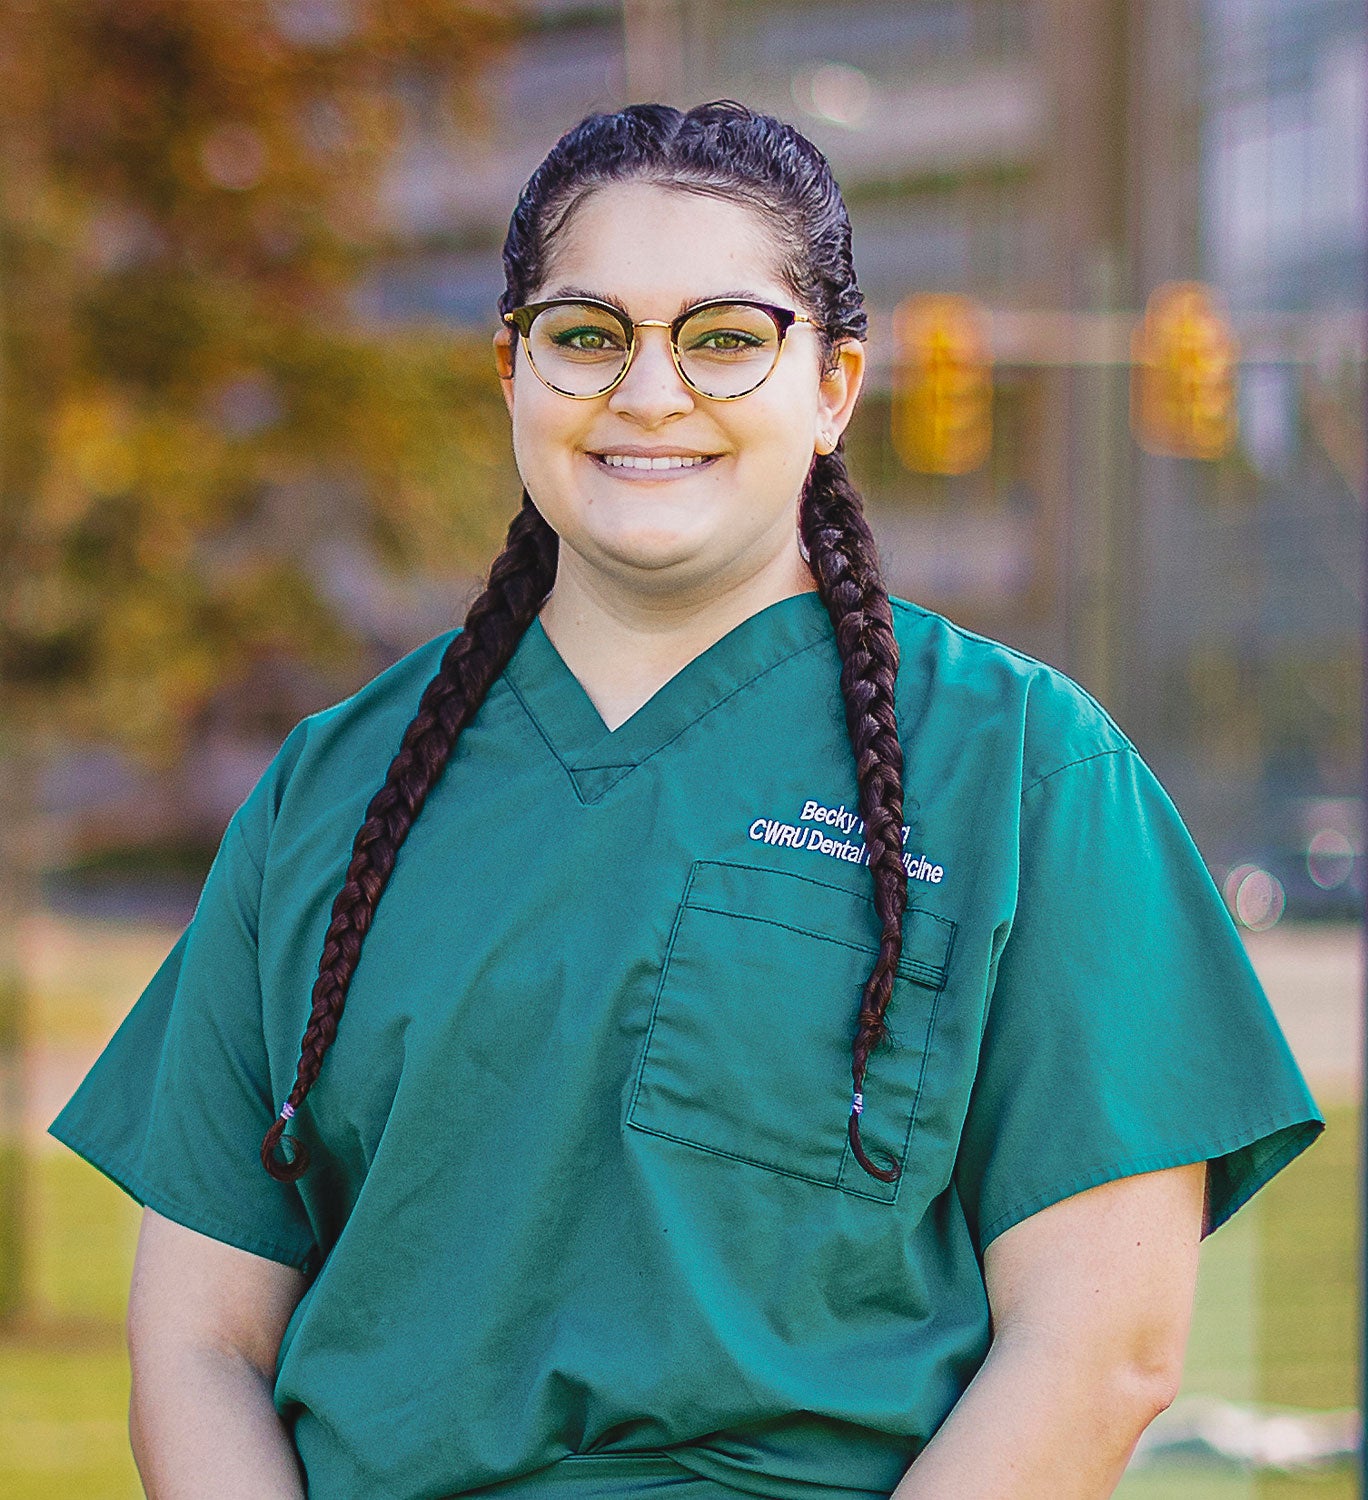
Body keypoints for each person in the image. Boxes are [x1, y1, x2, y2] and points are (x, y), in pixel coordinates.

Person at [49, 100, 1325, 1500]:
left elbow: (1104, 1347)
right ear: (512, 370)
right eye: (587, 335)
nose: (649, 392)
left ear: (836, 385)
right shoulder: (328, 790)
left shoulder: (1024, 772)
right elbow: (197, 1344)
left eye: (725, 338)